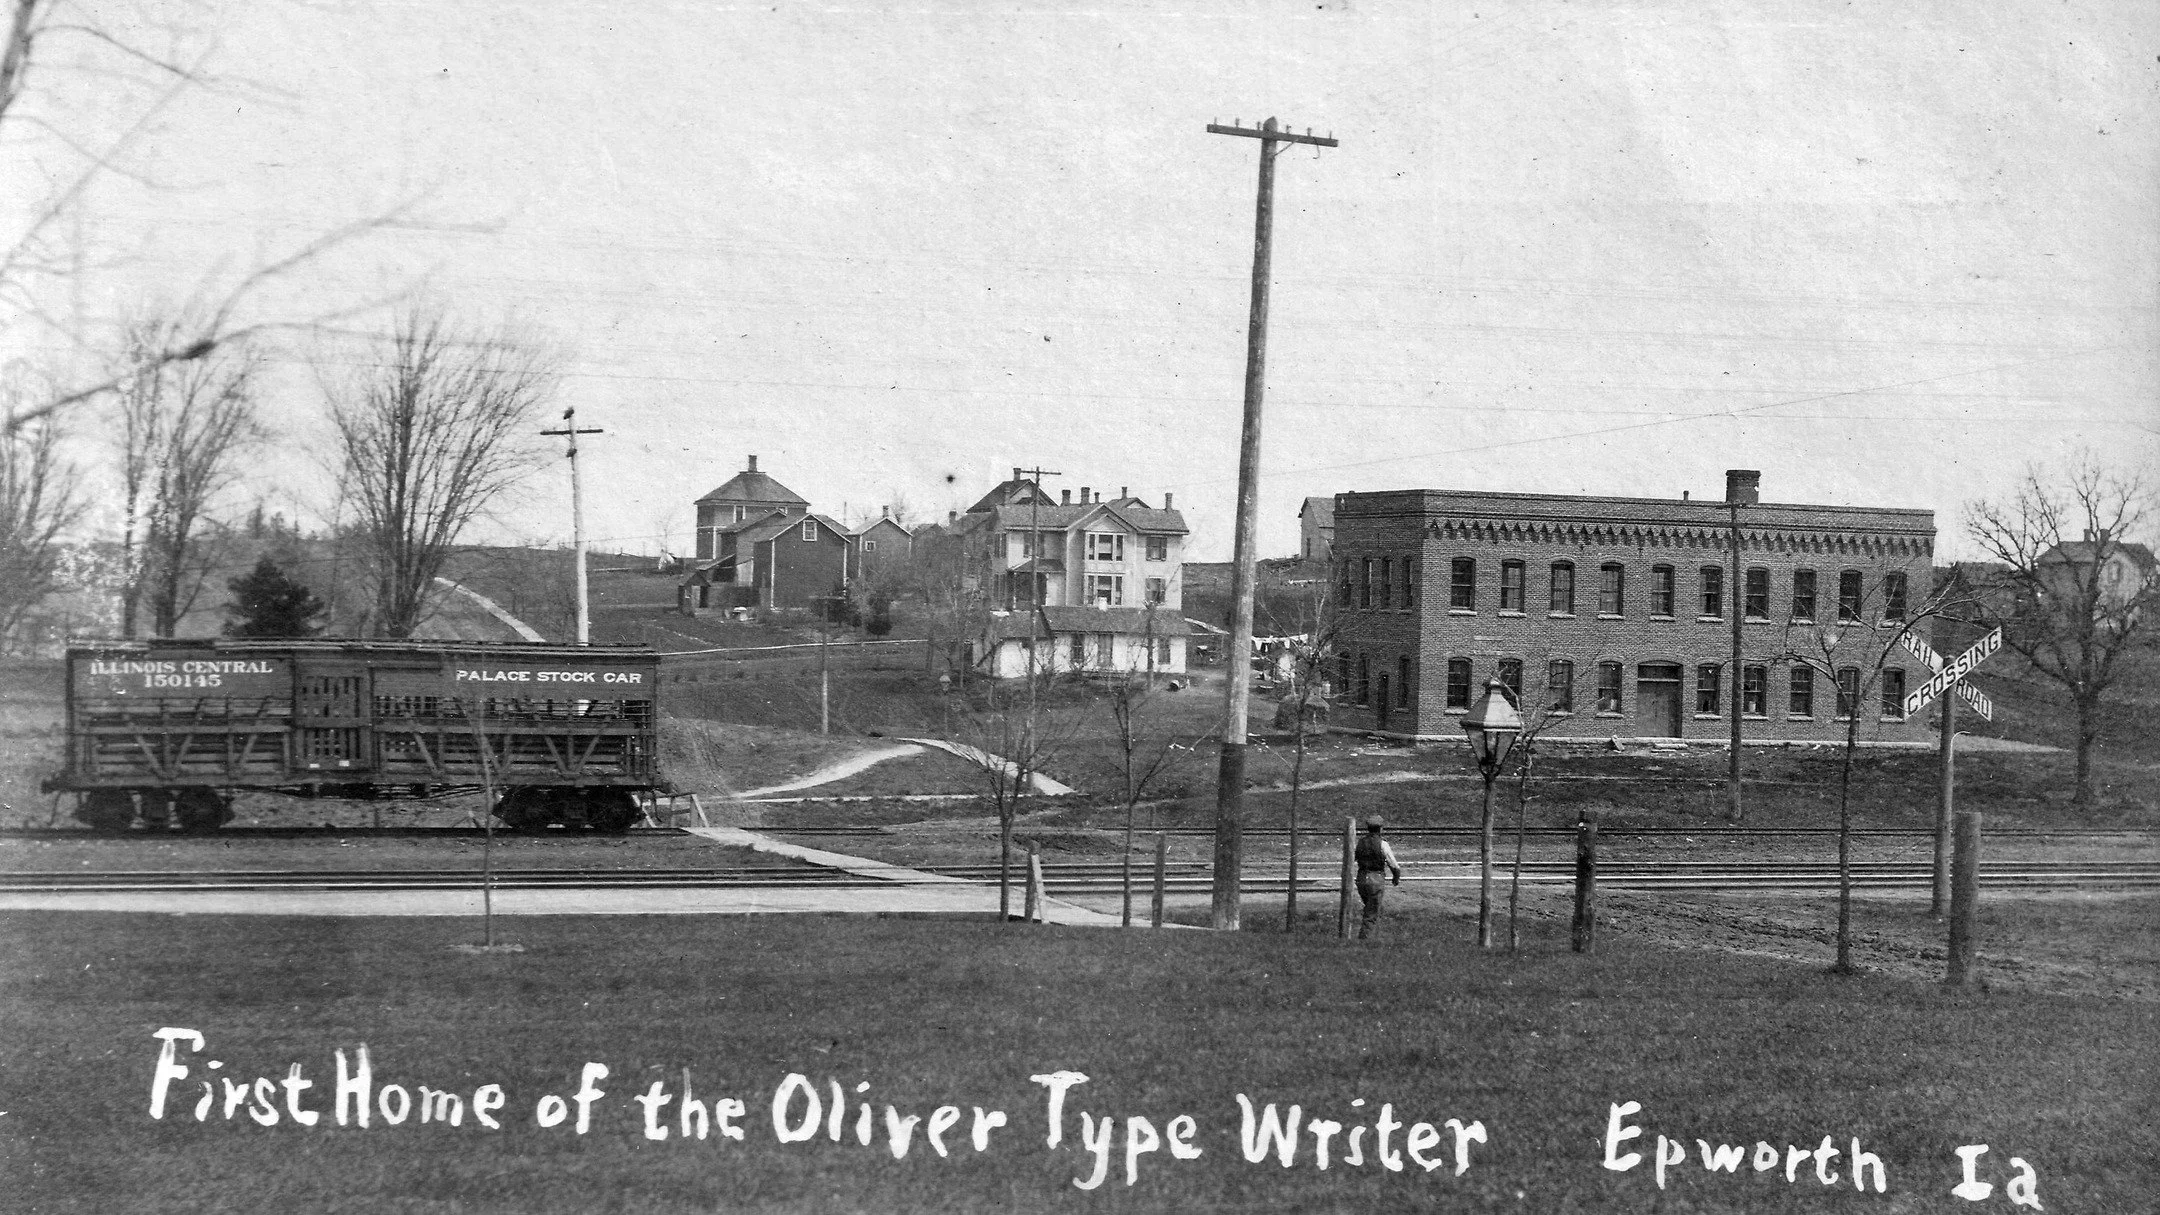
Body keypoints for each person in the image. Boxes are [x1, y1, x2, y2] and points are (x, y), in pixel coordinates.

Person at [1354, 817, 1403, 939]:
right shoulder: (1383, 844)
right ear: (1381, 828)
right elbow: (1394, 865)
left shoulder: (1360, 842)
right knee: (1372, 912)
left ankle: (1373, 935)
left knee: (1370, 908)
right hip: (1375, 879)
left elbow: (1354, 858)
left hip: (1361, 878)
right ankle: (1365, 939)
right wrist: (1396, 878)